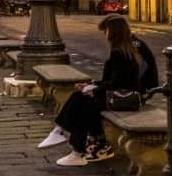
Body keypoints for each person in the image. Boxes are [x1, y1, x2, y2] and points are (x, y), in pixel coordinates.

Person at [38, 14, 143, 166]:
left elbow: (118, 82)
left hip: (122, 98)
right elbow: (114, 80)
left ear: (113, 32)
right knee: (79, 97)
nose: (104, 35)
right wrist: (93, 84)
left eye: (105, 31)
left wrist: (95, 89)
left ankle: (72, 146)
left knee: (83, 107)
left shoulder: (119, 53)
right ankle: (63, 136)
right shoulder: (124, 50)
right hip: (118, 95)